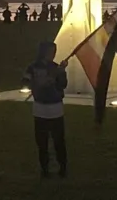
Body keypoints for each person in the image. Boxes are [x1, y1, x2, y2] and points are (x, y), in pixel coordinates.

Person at [21, 41, 68, 178]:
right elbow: (25, 81)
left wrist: (61, 74)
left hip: (56, 110)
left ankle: (63, 166)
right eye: (50, 52)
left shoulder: (56, 67)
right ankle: (44, 168)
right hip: (40, 109)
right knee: (42, 142)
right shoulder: (33, 67)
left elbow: (63, 85)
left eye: (54, 52)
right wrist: (39, 83)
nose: (52, 55)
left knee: (59, 141)